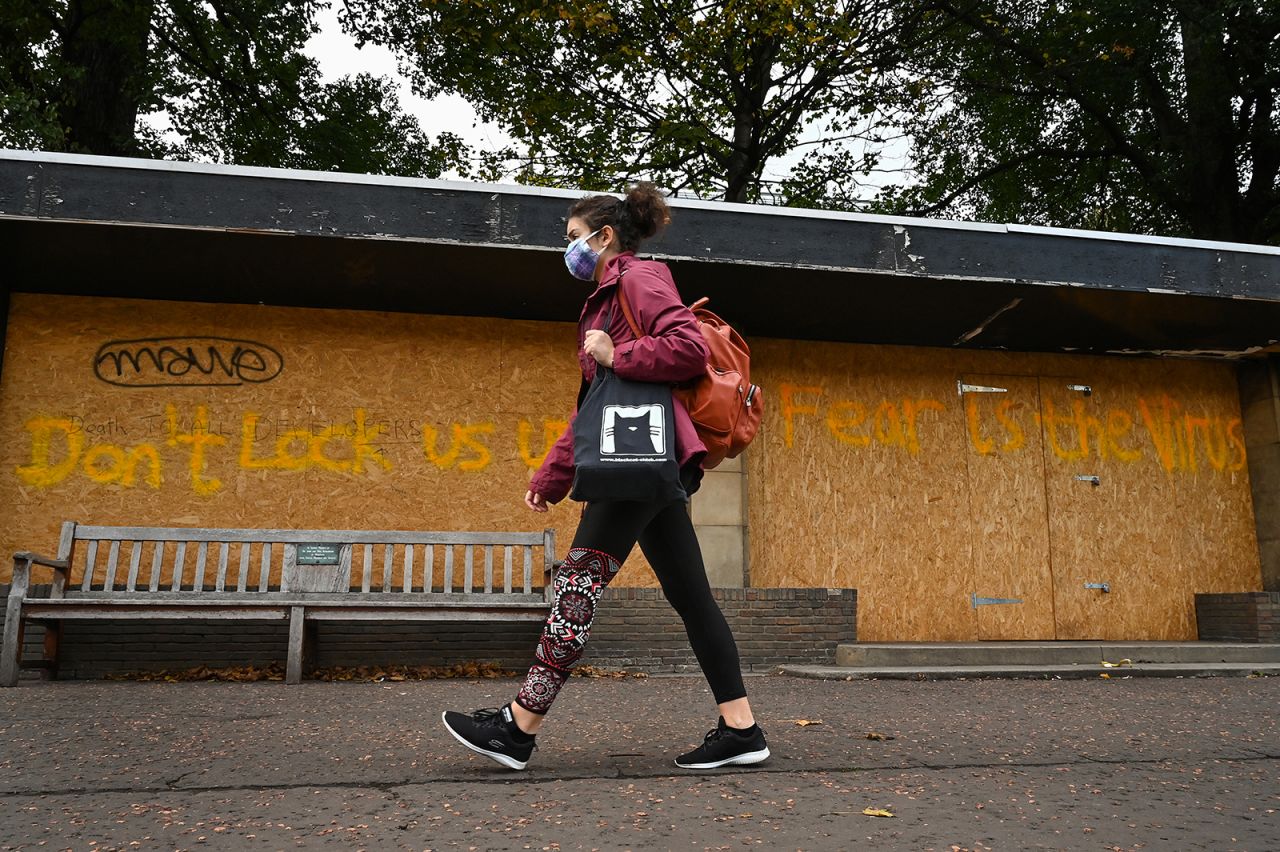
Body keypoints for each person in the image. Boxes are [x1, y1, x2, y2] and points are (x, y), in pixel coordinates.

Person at [441, 183, 768, 771]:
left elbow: (689, 349)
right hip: (640, 457)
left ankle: (519, 727)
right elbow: (598, 404)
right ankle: (741, 729)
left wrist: (619, 355)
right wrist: (552, 475)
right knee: (692, 597)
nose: (569, 250)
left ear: (604, 236)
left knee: (578, 586)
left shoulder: (636, 279)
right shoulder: (607, 299)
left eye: (573, 238)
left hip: (634, 459)